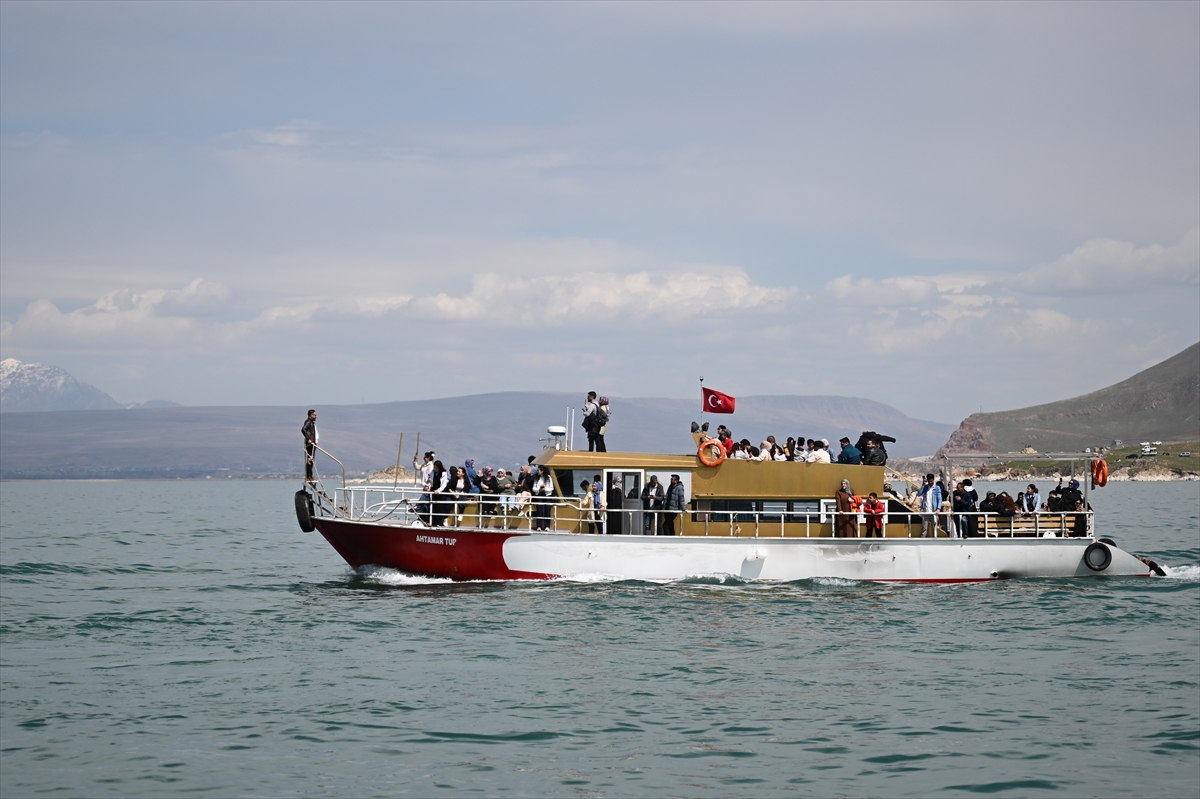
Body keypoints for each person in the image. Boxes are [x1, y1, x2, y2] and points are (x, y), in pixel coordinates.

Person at [917, 473, 941, 538]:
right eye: (929, 481)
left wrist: (938, 508)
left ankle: (935, 539)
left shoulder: (937, 488)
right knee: (924, 528)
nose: (930, 483)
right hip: (926, 510)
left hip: (934, 511)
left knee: (934, 527)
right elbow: (919, 494)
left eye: (931, 481)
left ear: (933, 479)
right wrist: (923, 485)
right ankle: (923, 539)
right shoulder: (925, 487)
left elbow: (939, 498)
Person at [532, 465, 554, 531]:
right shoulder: (536, 478)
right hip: (539, 494)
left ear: (542, 471)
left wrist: (545, 489)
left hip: (547, 495)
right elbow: (533, 488)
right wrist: (538, 490)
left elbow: (551, 488)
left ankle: (547, 526)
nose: (537, 471)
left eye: (538, 470)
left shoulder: (548, 478)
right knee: (539, 510)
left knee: (547, 510)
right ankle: (539, 526)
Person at [429, 460, 449, 527]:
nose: (435, 469)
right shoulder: (432, 472)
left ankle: (440, 523)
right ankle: (433, 523)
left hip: (441, 493)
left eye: (436, 468)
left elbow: (444, 484)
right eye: (434, 467)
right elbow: (429, 480)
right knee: (433, 507)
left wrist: (439, 490)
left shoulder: (443, 473)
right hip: (434, 491)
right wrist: (429, 484)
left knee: (440, 508)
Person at [301, 409, 318, 482]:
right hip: (310, 444)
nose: (316, 416)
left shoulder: (312, 422)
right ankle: (309, 476)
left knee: (311, 460)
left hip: (313, 443)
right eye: (314, 415)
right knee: (310, 459)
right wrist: (308, 439)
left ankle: (310, 475)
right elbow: (303, 429)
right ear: (310, 415)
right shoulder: (308, 422)